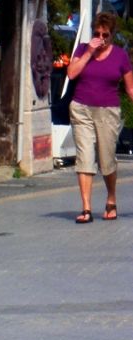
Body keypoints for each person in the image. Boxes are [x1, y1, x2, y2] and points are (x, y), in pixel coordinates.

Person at [67, 11, 133, 223]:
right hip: (81, 108)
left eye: (105, 35)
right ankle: (86, 208)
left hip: (107, 111)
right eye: (97, 33)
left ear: (112, 35)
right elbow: (71, 74)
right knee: (84, 158)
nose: (101, 38)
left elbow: (130, 89)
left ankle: (111, 198)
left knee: (106, 160)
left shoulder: (120, 56)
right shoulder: (82, 49)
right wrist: (88, 52)